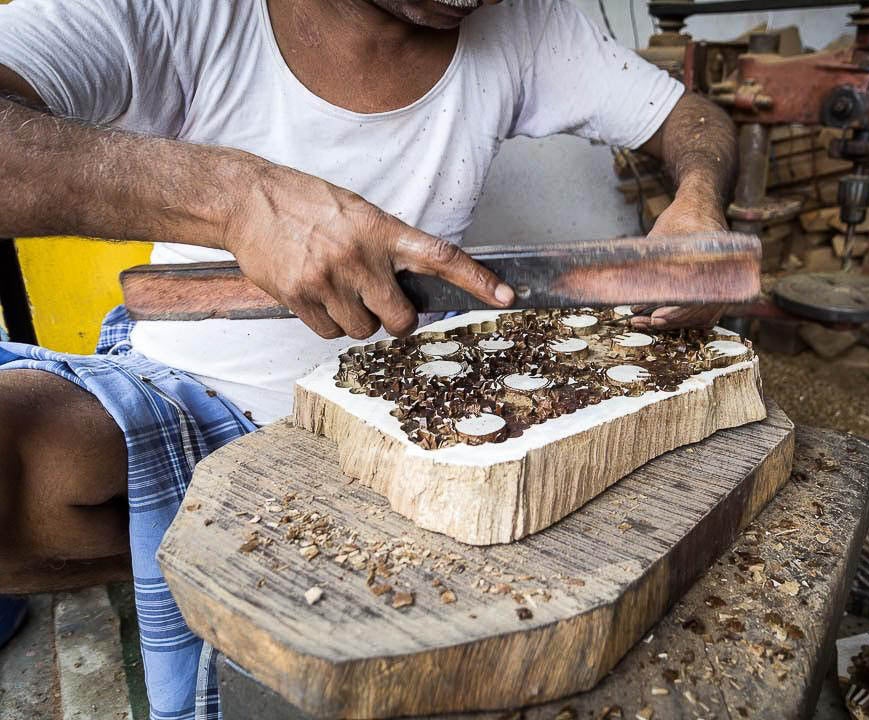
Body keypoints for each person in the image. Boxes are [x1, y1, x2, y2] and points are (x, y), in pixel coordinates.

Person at [0, 0, 738, 716]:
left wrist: (699, 201)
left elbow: (694, 119)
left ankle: (271, 562)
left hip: (407, 412)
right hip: (185, 394)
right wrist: (238, 198)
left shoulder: (525, 23)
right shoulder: (180, 14)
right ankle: (223, 557)